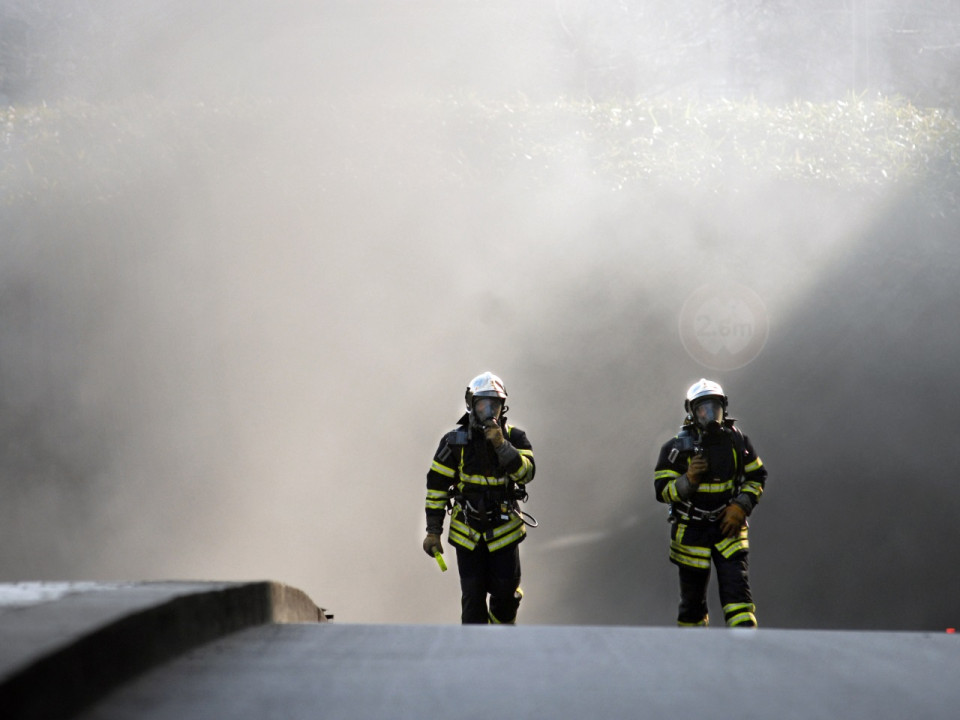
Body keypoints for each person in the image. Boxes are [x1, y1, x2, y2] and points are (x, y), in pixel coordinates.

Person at [423, 371, 535, 624]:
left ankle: (499, 638)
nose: (489, 411)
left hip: (505, 531)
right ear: (471, 404)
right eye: (483, 404)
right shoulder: (454, 441)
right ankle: (474, 646)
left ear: (502, 407)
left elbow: (526, 474)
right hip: (468, 533)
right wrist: (433, 532)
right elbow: (437, 488)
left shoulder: (515, 438)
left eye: (494, 405)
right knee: (473, 600)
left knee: (506, 597)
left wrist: (502, 446)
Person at [654, 378, 767, 627]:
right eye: (702, 409)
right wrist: (688, 480)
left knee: (738, 599)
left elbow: (757, 476)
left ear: (723, 408)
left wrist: (741, 506)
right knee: (692, 606)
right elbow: (662, 491)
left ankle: (745, 644)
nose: (709, 415)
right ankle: (694, 649)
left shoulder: (738, 442)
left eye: (714, 408)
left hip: (729, 528)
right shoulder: (676, 449)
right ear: (692, 412)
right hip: (691, 531)